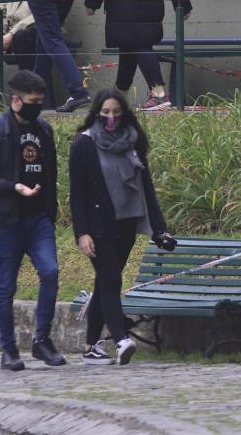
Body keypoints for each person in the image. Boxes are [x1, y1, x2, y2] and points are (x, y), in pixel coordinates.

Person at [69, 87, 177, 365]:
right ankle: (121, 340)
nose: (111, 118)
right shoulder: (84, 143)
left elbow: (146, 186)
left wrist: (159, 228)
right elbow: (77, 193)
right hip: (98, 224)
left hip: (127, 221)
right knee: (111, 280)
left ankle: (91, 346)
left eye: (116, 112)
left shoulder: (134, 140)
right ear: (96, 113)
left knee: (105, 280)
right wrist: (81, 233)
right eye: (105, 113)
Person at [0, 69, 66, 371]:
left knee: (50, 272)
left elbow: (51, 173)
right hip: (6, 220)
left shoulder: (44, 130)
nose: (37, 105)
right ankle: (9, 349)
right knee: (6, 286)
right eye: (31, 101)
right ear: (15, 100)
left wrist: (50, 210)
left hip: (38, 219)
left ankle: (42, 341)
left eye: (40, 101)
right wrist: (15, 187)